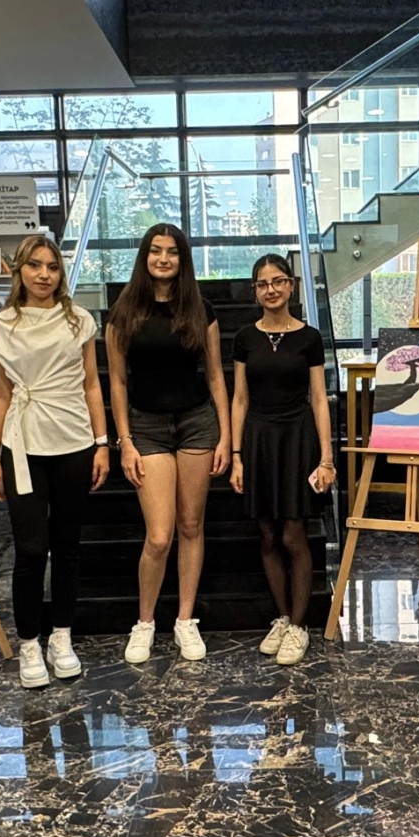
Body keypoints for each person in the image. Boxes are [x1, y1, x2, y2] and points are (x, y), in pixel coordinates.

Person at [0, 235, 110, 686]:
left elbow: (92, 383)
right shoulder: (2, 325)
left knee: (68, 545)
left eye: (52, 267)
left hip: (73, 439)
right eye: (35, 265)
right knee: (32, 548)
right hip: (23, 443)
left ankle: (61, 635)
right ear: (19, 270)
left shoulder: (78, 320)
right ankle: (28, 642)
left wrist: (102, 442)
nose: (44, 274)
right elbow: (1, 393)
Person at [105, 223, 231, 664]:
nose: (163, 259)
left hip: (197, 423)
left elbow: (215, 375)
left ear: (182, 259)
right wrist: (124, 441)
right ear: (145, 257)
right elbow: (117, 382)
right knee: (159, 536)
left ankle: (185, 620)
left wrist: (226, 437)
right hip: (147, 428)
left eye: (172, 252)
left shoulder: (200, 308)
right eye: (156, 251)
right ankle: (144, 623)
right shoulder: (123, 312)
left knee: (191, 526)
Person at [229, 254, 334, 666]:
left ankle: (300, 626)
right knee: (268, 535)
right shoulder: (245, 338)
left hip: (298, 438)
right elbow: (240, 398)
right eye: (262, 283)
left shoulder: (309, 337)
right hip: (258, 438)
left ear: (291, 285)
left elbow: (319, 399)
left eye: (278, 281)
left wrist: (326, 458)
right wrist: (236, 455)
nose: (270, 289)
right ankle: (284, 617)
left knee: (293, 534)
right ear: (255, 291)